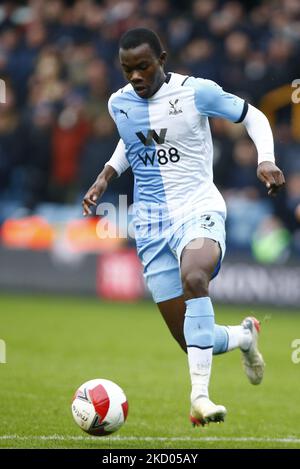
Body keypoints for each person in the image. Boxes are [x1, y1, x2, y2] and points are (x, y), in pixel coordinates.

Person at [82, 28, 285, 426]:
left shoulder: (197, 92)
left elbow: (254, 116)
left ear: (162, 59)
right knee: (190, 339)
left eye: (143, 67)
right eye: (127, 70)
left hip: (198, 207)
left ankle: (199, 398)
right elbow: (132, 140)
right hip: (152, 223)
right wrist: (106, 175)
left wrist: (266, 158)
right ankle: (245, 336)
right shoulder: (119, 103)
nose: (135, 77)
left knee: (195, 276)